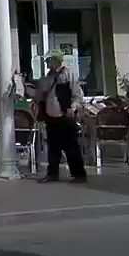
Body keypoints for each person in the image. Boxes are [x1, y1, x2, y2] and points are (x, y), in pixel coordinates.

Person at [31, 52, 87, 184]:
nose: (47, 63)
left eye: (49, 60)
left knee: (71, 147)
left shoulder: (68, 74)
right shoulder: (48, 77)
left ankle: (79, 174)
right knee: (53, 147)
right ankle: (52, 173)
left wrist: (72, 107)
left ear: (56, 60)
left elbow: (77, 94)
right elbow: (40, 94)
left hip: (64, 115)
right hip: (51, 116)